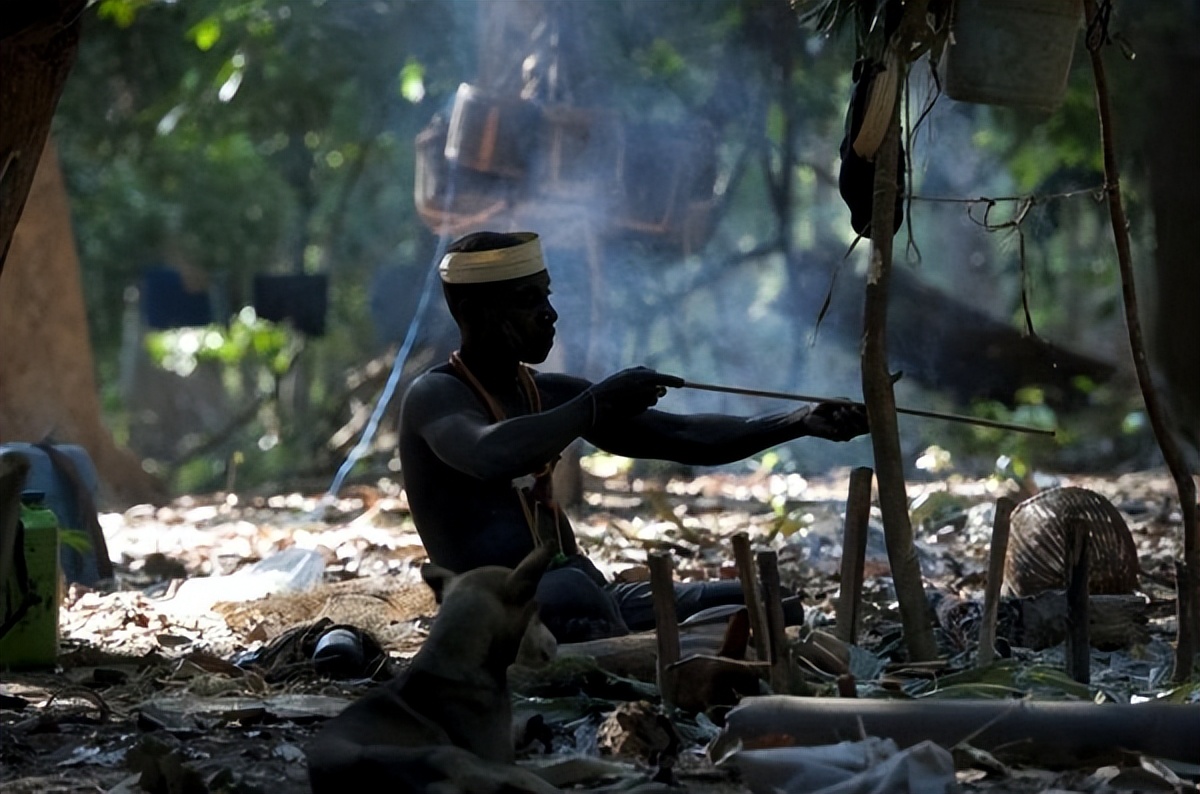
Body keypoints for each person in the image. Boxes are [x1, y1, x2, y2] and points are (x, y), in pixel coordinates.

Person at [399, 231, 869, 643]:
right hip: (496, 610)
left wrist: (798, 420)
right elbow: (489, 453)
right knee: (574, 593)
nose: (550, 314)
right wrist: (595, 405)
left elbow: (682, 435)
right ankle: (656, 647)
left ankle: (654, 647)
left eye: (547, 297)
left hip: (584, 594)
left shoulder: (548, 393)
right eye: (528, 301)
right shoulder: (436, 395)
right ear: (472, 313)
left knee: (772, 603)